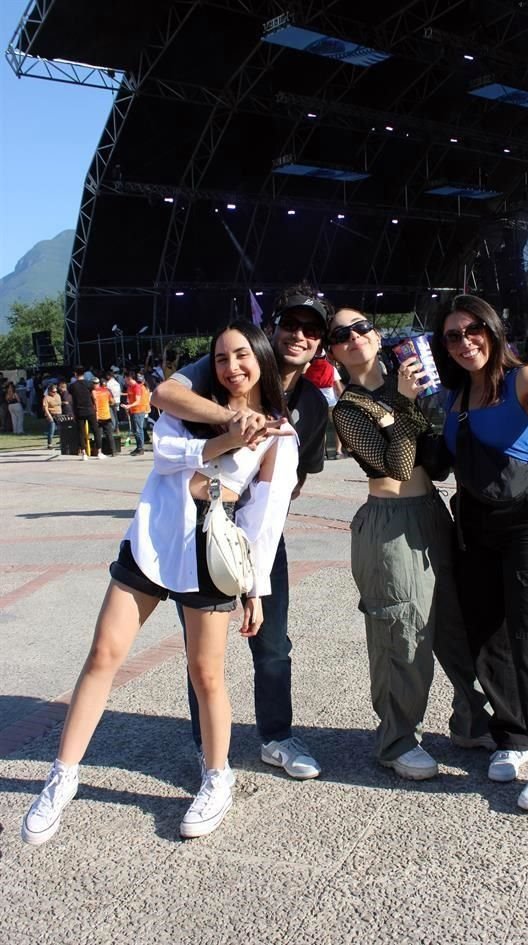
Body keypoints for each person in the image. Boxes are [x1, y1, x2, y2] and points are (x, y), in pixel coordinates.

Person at [21, 321, 298, 846]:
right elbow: (165, 454)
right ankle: (63, 776)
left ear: (261, 358)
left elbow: (264, 516)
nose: (232, 367)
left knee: (206, 673)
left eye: (242, 355)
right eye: (220, 358)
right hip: (151, 540)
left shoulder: (281, 434)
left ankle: (218, 778)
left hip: (210, 553)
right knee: (103, 653)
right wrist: (228, 435)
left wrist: (255, 587)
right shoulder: (188, 404)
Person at [152, 283, 330, 779]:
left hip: (262, 532)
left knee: (272, 640)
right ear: (270, 328)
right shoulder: (223, 365)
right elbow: (165, 393)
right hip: (198, 527)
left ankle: (276, 736)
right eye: (291, 324)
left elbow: (297, 478)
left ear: (321, 342)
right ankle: (204, 745)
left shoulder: (313, 402)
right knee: (202, 648)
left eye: (311, 329)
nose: (299, 335)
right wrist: (236, 420)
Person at [432, 293, 528, 811]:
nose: (464, 342)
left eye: (472, 329)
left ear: (493, 330)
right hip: (474, 522)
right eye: (453, 335)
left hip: (526, 521)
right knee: (486, 636)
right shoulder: (456, 396)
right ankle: (513, 735)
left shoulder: (524, 379)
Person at [328, 307, 493, 781]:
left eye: (362, 327)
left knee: (455, 623)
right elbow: (397, 467)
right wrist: (402, 406)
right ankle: (397, 739)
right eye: (342, 335)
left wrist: (426, 404)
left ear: (377, 335)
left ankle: (472, 719)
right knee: (402, 631)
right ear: (335, 352)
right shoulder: (350, 408)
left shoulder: (415, 379)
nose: (354, 336)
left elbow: (434, 460)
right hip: (389, 522)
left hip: (432, 513)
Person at [70, 366, 107, 461]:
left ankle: (84, 453)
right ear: (84, 373)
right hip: (90, 410)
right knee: (96, 431)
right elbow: (94, 395)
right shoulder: (89, 384)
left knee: (80, 433)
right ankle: (99, 452)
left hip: (78, 411)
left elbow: (72, 400)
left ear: (75, 374)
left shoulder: (72, 386)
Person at [122, 371, 150, 455]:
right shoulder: (129, 387)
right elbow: (129, 398)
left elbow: (138, 401)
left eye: (126, 379)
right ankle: (138, 447)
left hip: (139, 410)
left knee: (138, 429)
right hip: (132, 410)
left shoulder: (137, 387)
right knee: (135, 430)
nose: (125, 380)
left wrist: (129, 406)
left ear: (129, 378)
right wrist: (127, 406)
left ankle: (141, 448)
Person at [92, 377, 117, 456]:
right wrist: (108, 404)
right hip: (106, 415)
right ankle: (113, 451)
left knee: (98, 435)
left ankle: (99, 452)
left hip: (97, 416)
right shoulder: (106, 391)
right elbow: (113, 402)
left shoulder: (93, 392)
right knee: (109, 434)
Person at [42, 382, 62, 449]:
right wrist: (49, 416)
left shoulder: (58, 395)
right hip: (52, 414)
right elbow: (45, 408)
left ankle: (61, 441)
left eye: (56, 391)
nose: (55, 393)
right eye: (53, 392)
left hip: (58, 414)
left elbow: (59, 404)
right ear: (50, 391)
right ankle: (49, 444)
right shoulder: (46, 398)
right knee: (52, 430)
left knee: (61, 429)